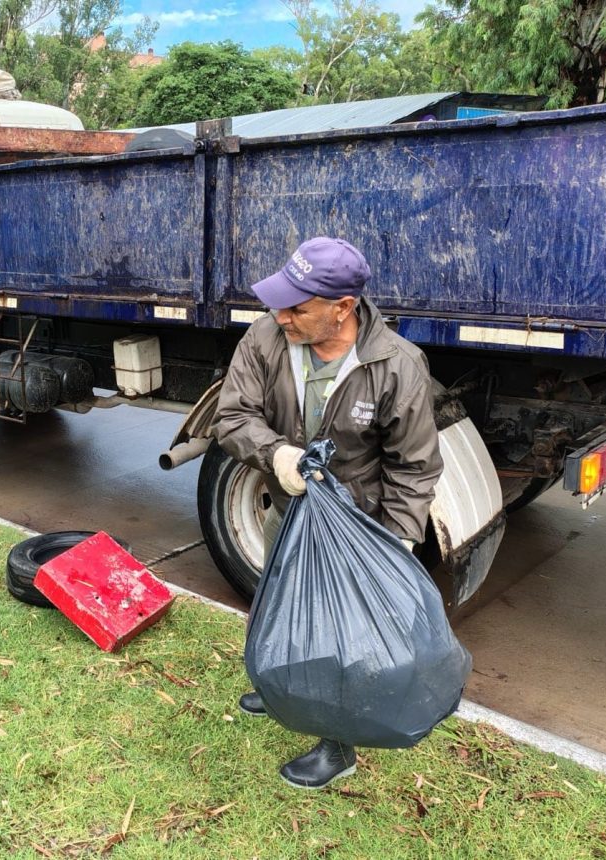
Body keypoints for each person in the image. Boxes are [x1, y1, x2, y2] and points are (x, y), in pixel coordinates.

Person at [213, 236, 443, 790]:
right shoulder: (266, 337)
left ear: (343, 308)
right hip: (288, 509)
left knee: (340, 636)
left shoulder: (396, 365)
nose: (281, 315)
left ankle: (337, 744)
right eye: (279, 301)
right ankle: (280, 684)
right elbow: (232, 416)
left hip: (356, 527)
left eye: (297, 307)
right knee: (277, 599)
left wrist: (396, 543)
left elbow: (414, 468)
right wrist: (276, 455)